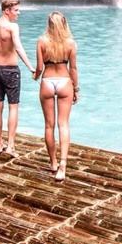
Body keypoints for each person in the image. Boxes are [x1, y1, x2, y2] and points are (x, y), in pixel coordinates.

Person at [0, 0, 36, 156]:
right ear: (7, 10)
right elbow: (18, 48)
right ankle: (10, 146)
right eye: (16, 10)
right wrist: (31, 67)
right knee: (13, 107)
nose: (18, 13)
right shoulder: (13, 27)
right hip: (11, 71)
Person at [34, 11, 79, 181]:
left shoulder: (41, 41)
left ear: (49, 24)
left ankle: (53, 163)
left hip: (47, 81)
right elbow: (73, 69)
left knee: (48, 126)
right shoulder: (70, 43)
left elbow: (39, 68)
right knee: (64, 125)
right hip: (65, 82)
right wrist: (76, 88)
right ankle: (63, 163)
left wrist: (35, 76)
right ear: (64, 24)